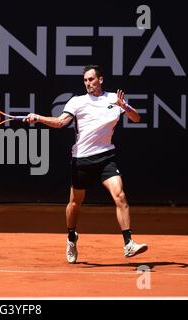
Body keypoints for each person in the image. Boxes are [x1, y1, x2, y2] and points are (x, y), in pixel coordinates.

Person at [24, 64, 147, 263]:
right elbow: (60, 122)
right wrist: (38, 118)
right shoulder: (77, 102)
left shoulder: (114, 100)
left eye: (91, 79)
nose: (88, 83)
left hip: (107, 156)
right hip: (82, 159)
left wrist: (125, 107)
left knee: (120, 195)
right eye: (85, 80)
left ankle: (128, 243)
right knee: (75, 204)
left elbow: (136, 117)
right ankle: (71, 238)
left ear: (101, 79)